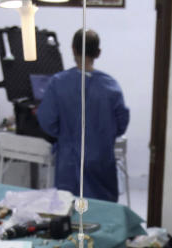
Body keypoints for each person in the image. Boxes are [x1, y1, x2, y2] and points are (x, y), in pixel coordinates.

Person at [37, 29, 130, 202]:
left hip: (69, 165)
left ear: (73, 49)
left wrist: (66, 135)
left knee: (70, 213)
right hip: (101, 163)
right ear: (98, 53)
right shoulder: (111, 86)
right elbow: (121, 124)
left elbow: (47, 121)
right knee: (103, 213)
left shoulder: (58, 83)